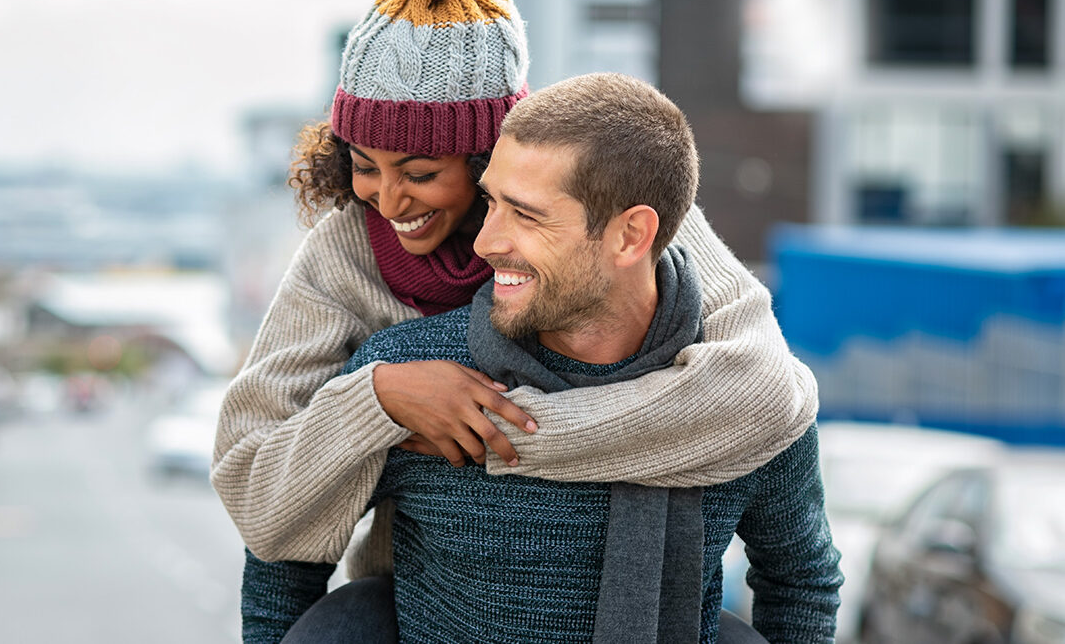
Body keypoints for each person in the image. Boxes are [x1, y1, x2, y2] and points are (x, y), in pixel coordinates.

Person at [213, 0, 815, 579]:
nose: (388, 201)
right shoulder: (343, 254)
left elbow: (764, 391)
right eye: (364, 165)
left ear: (489, 157)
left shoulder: (623, 220)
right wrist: (381, 398)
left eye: (420, 173)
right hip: (422, 592)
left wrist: (504, 437)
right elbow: (255, 489)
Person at [242, 72, 843, 644]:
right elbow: (282, 555)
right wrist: (370, 401)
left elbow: (800, 580)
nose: (484, 242)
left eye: (525, 215)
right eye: (490, 204)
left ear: (631, 236)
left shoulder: (747, 404)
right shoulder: (414, 376)